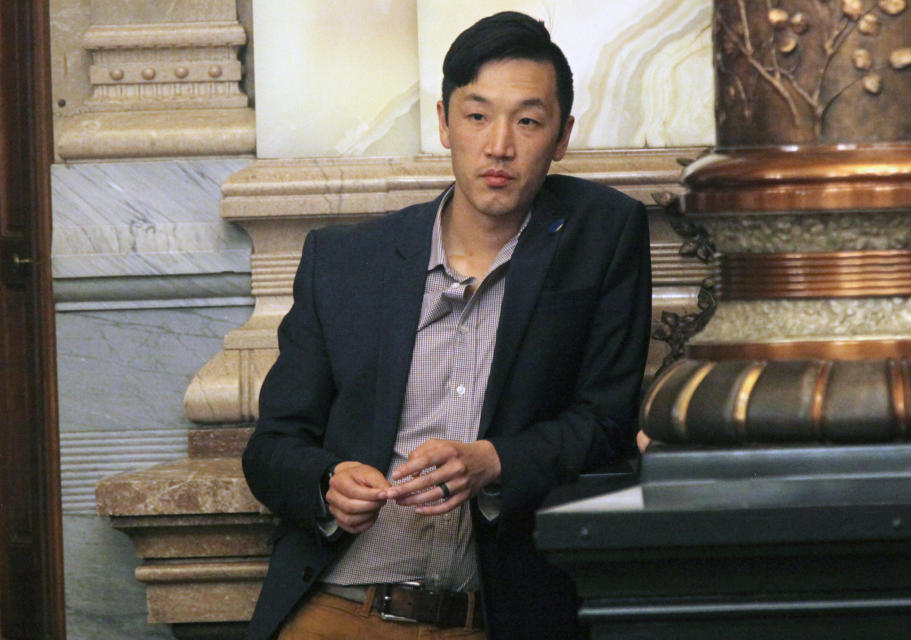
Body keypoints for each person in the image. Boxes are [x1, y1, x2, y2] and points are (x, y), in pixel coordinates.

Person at [242, 11, 651, 640]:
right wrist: (326, 485)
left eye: (529, 120)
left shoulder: (602, 235)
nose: (500, 146)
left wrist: (494, 461)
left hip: (492, 615)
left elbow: (605, 420)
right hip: (338, 605)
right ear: (443, 122)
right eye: (477, 115)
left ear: (562, 136)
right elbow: (271, 448)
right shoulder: (346, 261)